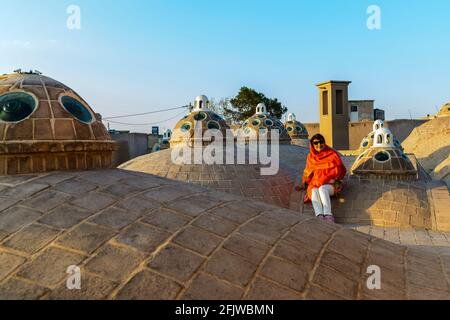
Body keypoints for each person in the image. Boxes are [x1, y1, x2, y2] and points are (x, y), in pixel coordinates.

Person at [299, 134, 346, 223]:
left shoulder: (332, 154)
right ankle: (319, 215)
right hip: (316, 183)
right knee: (314, 190)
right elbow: (307, 172)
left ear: (324, 143)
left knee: (322, 189)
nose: (319, 145)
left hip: (331, 184)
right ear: (312, 145)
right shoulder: (311, 157)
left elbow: (339, 171)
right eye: (316, 143)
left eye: (321, 142)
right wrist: (305, 181)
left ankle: (328, 215)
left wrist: (329, 179)